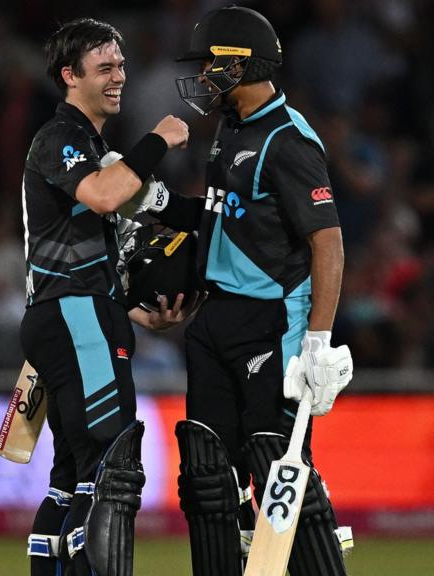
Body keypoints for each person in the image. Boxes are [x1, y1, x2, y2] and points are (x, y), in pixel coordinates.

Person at [144, 6, 354, 575]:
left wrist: (318, 341)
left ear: (243, 64)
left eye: (214, 62)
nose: (205, 74)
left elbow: (328, 244)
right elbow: (221, 219)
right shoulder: (231, 129)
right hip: (215, 320)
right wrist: (159, 203)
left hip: (272, 320)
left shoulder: (289, 140)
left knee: (278, 465)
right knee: (209, 474)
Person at [20, 18, 194, 576]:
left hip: (77, 315)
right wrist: (158, 140)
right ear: (70, 76)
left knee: (70, 480)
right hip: (75, 318)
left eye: (120, 65)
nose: (118, 76)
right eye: (105, 68)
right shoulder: (61, 138)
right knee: (111, 469)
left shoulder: (89, 145)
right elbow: (101, 196)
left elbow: (95, 241)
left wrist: (134, 309)